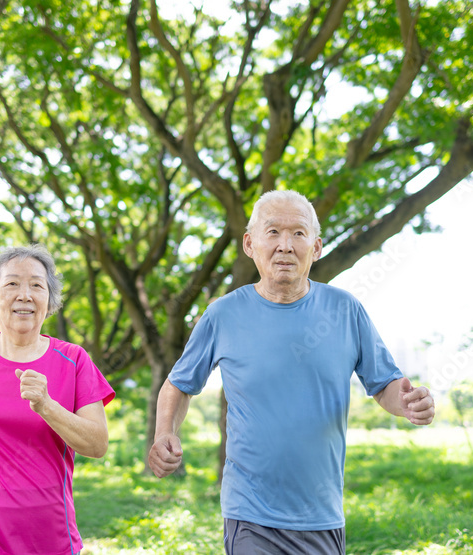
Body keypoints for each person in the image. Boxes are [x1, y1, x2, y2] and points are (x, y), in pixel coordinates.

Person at [146, 190, 435, 555]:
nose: (285, 245)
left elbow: (385, 385)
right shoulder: (223, 314)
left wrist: (409, 403)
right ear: (250, 244)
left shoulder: (345, 310)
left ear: (316, 247)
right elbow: (179, 384)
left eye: (298, 234)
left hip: (322, 515)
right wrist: (164, 433)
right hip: (250, 513)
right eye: (273, 232)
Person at [0, 245, 115, 555]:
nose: (25, 295)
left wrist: (47, 406)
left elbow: (97, 444)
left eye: (37, 285)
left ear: (49, 301)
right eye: (12, 284)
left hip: (50, 538)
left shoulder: (74, 360)